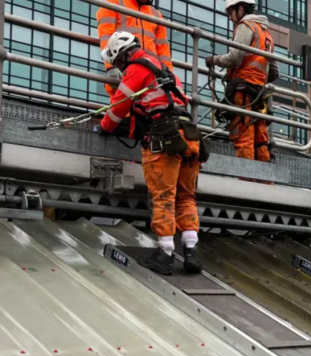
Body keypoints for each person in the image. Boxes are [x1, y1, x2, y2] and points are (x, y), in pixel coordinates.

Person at [99, 31, 206, 276]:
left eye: (117, 64)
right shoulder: (164, 70)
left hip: (164, 137)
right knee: (186, 197)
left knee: (164, 197)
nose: (118, 69)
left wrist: (104, 127)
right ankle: (191, 252)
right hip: (189, 137)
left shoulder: (136, 69)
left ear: (123, 57)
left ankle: (165, 254)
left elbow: (118, 106)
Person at [204, 0, 279, 162]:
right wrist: (254, 76)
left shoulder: (246, 26)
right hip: (258, 94)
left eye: (230, 13)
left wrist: (214, 60)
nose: (230, 18)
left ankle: (246, 178)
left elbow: (235, 57)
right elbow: (273, 72)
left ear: (240, 9)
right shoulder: (265, 33)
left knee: (243, 135)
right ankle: (265, 181)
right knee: (260, 139)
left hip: (243, 91)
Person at [97, 0, 173, 98]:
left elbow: (163, 51)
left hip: (150, 76)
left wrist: (168, 74)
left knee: (147, 109)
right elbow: (106, 38)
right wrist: (111, 67)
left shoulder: (156, 14)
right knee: (122, 108)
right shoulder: (113, 3)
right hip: (125, 71)